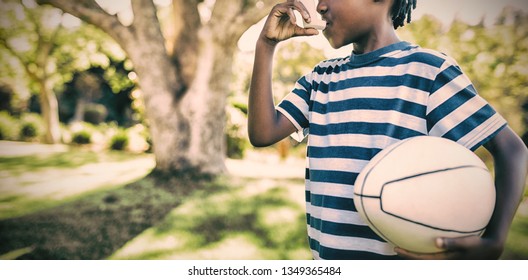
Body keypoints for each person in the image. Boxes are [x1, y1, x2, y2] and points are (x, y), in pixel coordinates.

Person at [247, 0, 528, 260]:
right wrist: (266, 44)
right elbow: (262, 134)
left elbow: (512, 150)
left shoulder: (427, 72)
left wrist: (495, 239)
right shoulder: (320, 79)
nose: (320, 6)